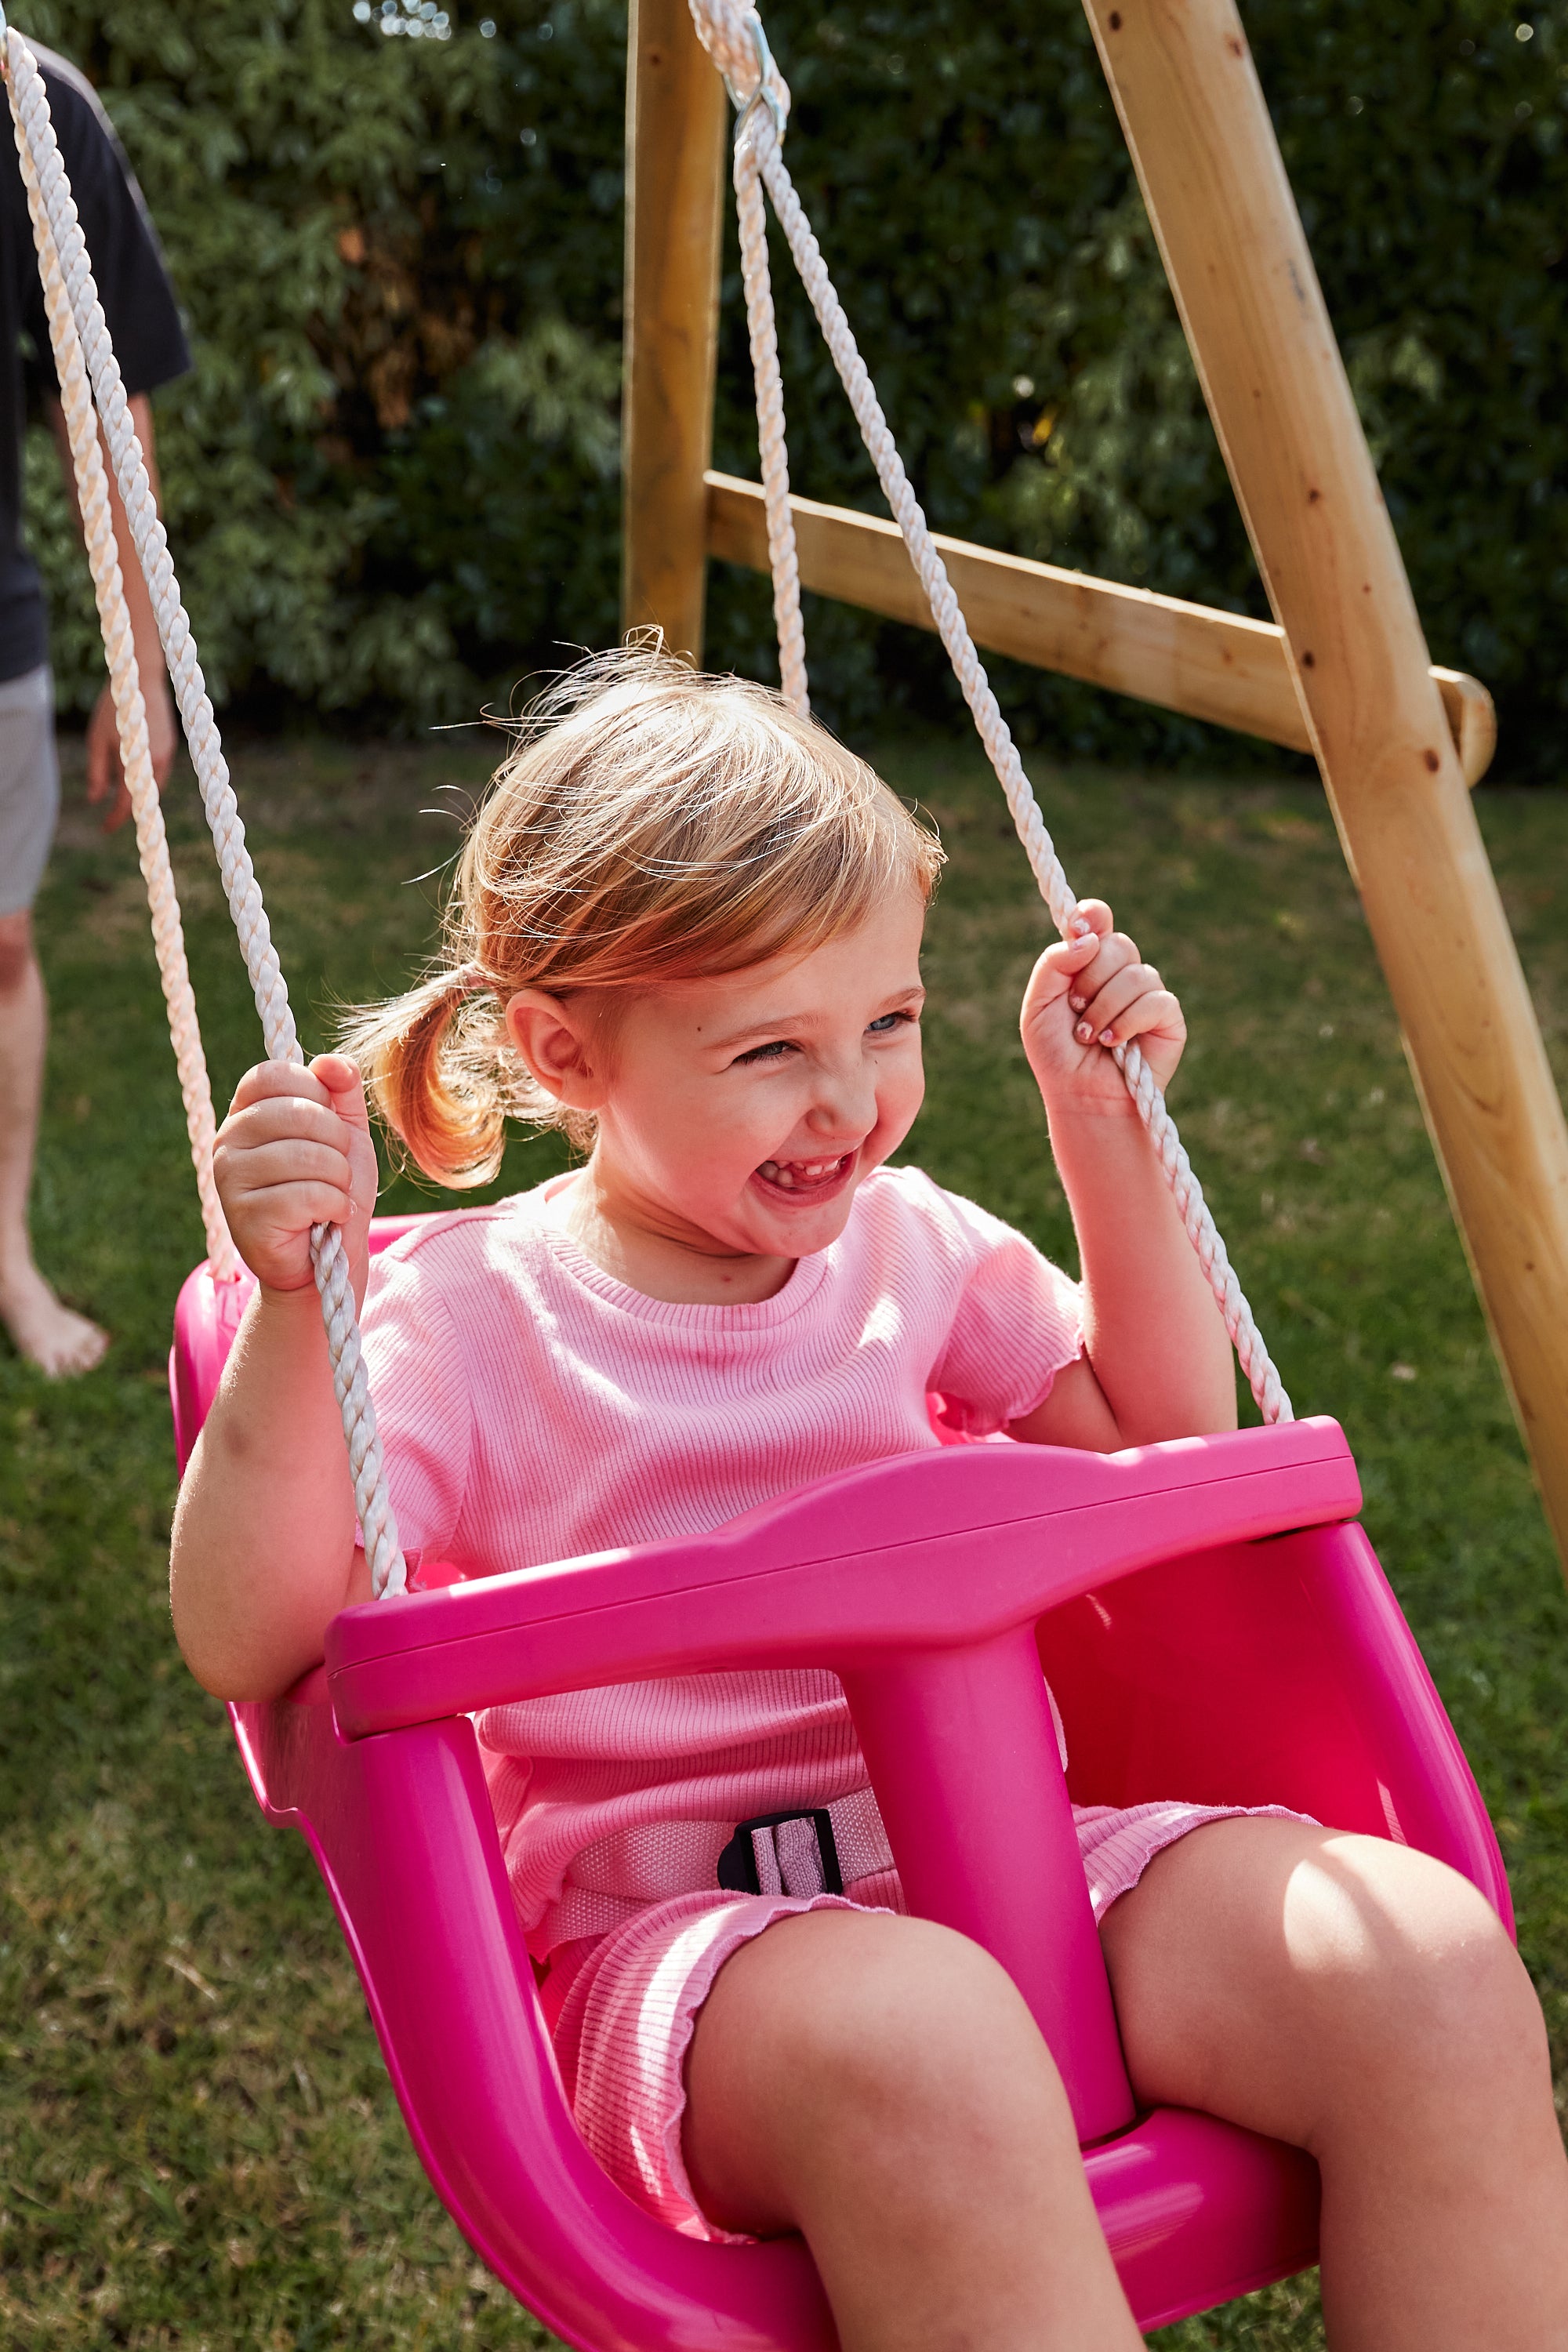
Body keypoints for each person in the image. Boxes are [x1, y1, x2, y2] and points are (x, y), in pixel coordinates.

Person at [170, 652, 1568, 2350]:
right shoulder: (462, 1325)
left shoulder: (913, 1247)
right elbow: (250, 1636)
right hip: (696, 1963)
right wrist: (296, 1315)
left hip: (1017, 1862)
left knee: (1424, 1970)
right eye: (771, 1048)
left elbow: (1154, 1435)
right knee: (930, 2036)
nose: (850, 1103)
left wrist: (1104, 1131)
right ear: (566, 1051)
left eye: (888, 1024)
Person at [0, 43, 187, 1377]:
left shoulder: (29, 105)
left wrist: (141, 664)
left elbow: (104, 402)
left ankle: (4, 1257)